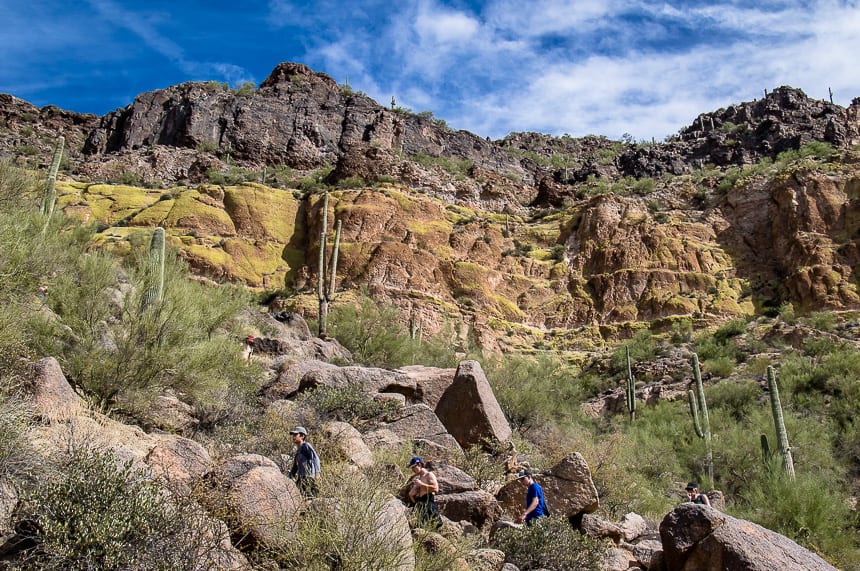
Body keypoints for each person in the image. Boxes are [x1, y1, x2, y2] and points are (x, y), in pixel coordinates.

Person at [407, 456, 441, 529]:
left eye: (413, 467)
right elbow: (412, 495)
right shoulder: (419, 478)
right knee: (420, 527)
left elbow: (435, 488)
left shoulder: (429, 475)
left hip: (428, 502)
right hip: (420, 505)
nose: (412, 470)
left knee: (431, 526)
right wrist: (411, 495)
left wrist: (421, 484)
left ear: (419, 464)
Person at [288, 426, 320, 497]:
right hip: (301, 478)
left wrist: (317, 473)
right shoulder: (298, 451)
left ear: (302, 436)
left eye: (295, 435)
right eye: (293, 435)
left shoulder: (306, 445)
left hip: (308, 477)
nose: (293, 437)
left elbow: (315, 458)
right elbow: (295, 467)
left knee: (310, 498)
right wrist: (290, 477)